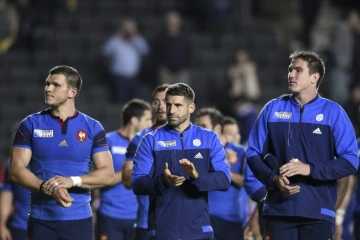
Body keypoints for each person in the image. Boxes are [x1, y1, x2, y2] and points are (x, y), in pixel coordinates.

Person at [246, 51, 359, 240]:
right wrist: (273, 179)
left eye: (298, 70)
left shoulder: (334, 113)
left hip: (318, 213)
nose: (291, 74)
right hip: (278, 210)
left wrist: (309, 169)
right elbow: (253, 153)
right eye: (290, 70)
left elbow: (350, 161)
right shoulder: (272, 109)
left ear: (314, 77)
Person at [9, 65, 115, 240]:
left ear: (72, 92)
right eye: (47, 84)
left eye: (56, 85)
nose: (48, 88)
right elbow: (15, 170)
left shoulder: (93, 127)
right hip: (41, 221)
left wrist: (71, 181)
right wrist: (47, 188)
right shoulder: (30, 124)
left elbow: (107, 175)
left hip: (79, 221)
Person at [132, 83, 231, 240]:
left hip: (200, 232)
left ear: (191, 108)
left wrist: (196, 176)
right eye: (168, 104)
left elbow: (224, 180)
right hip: (163, 232)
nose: (171, 110)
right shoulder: (150, 140)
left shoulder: (209, 138)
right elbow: (137, 184)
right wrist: (163, 181)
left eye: (178, 105)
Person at [195, 107, 265, 240]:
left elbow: (248, 182)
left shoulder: (240, 152)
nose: (198, 131)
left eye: (203, 126)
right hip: (203, 219)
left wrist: (224, 168)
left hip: (231, 221)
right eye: (197, 126)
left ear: (217, 127)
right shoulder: (196, 152)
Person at [96, 99, 152, 240]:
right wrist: (127, 173)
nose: (151, 124)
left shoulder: (146, 144)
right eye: (147, 119)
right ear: (134, 120)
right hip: (110, 215)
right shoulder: (108, 141)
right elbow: (96, 177)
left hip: (137, 216)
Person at [122, 84, 169, 240]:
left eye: (165, 101)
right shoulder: (140, 138)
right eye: (156, 101)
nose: (160, 106)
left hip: (180, 221)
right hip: (146, 223)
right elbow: (127, 180)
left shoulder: (190, 136)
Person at [102, 19, 149, 103]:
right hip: (119, 78)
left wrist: (135, 37)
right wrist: (118, 36)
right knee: (120, 102)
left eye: (130, 29)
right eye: (126, 29)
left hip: (134, 78)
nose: (128, 31)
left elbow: (145, 50)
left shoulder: (137, 40)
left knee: (135, 104)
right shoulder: (115, 41)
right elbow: (105, 51)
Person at [0, 122, 30, 240]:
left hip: (47, 227)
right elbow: (7, 194)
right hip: (20, 227)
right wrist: (2, 225)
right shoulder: (10, 166)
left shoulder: (49, 163)